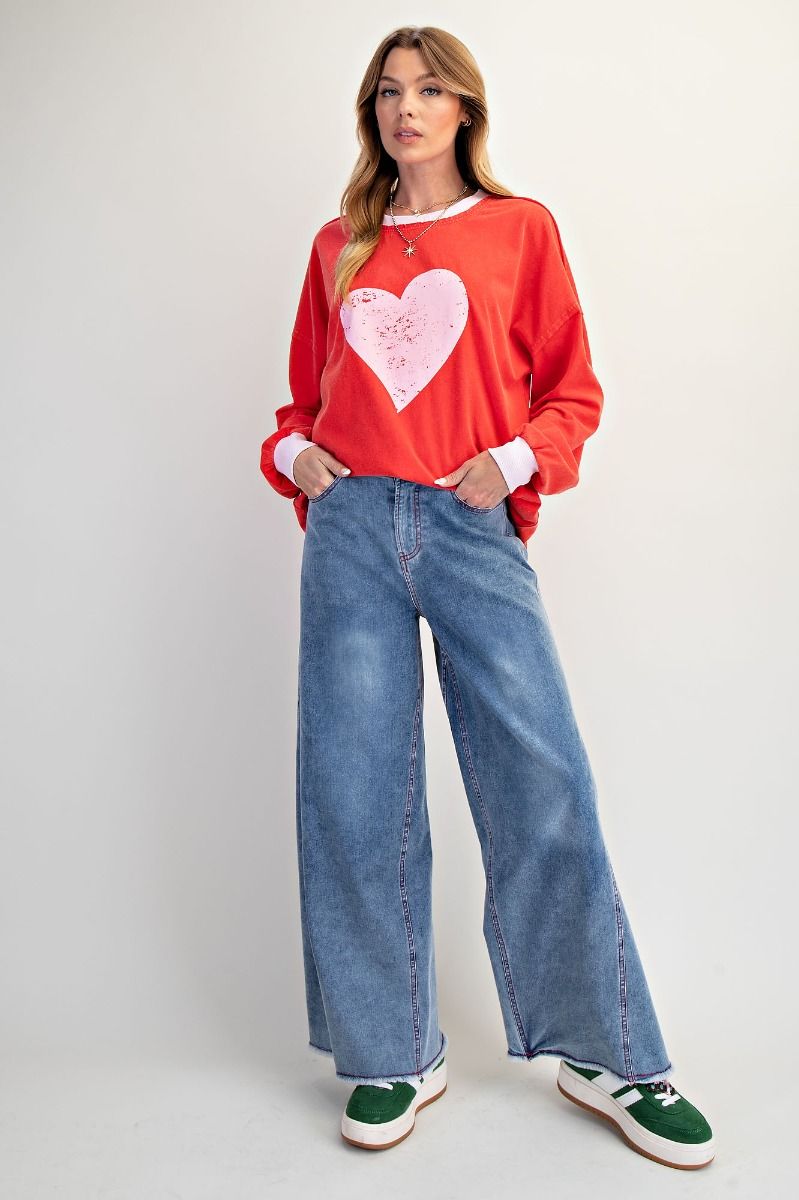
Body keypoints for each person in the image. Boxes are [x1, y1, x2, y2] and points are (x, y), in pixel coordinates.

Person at [259, 24, 715, 1170]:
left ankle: (604, 1051)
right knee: (352, 788)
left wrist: (510, 468)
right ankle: (392, 1050)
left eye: (429, 91)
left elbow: (571, 388)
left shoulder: (521, 230)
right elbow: (302, 402)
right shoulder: (338, 245)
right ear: (372, 114)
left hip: (470, 524)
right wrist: (292, 456)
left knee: (540, 775)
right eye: (386, 93)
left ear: (465, 110)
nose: (405, 109)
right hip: (354, 527)